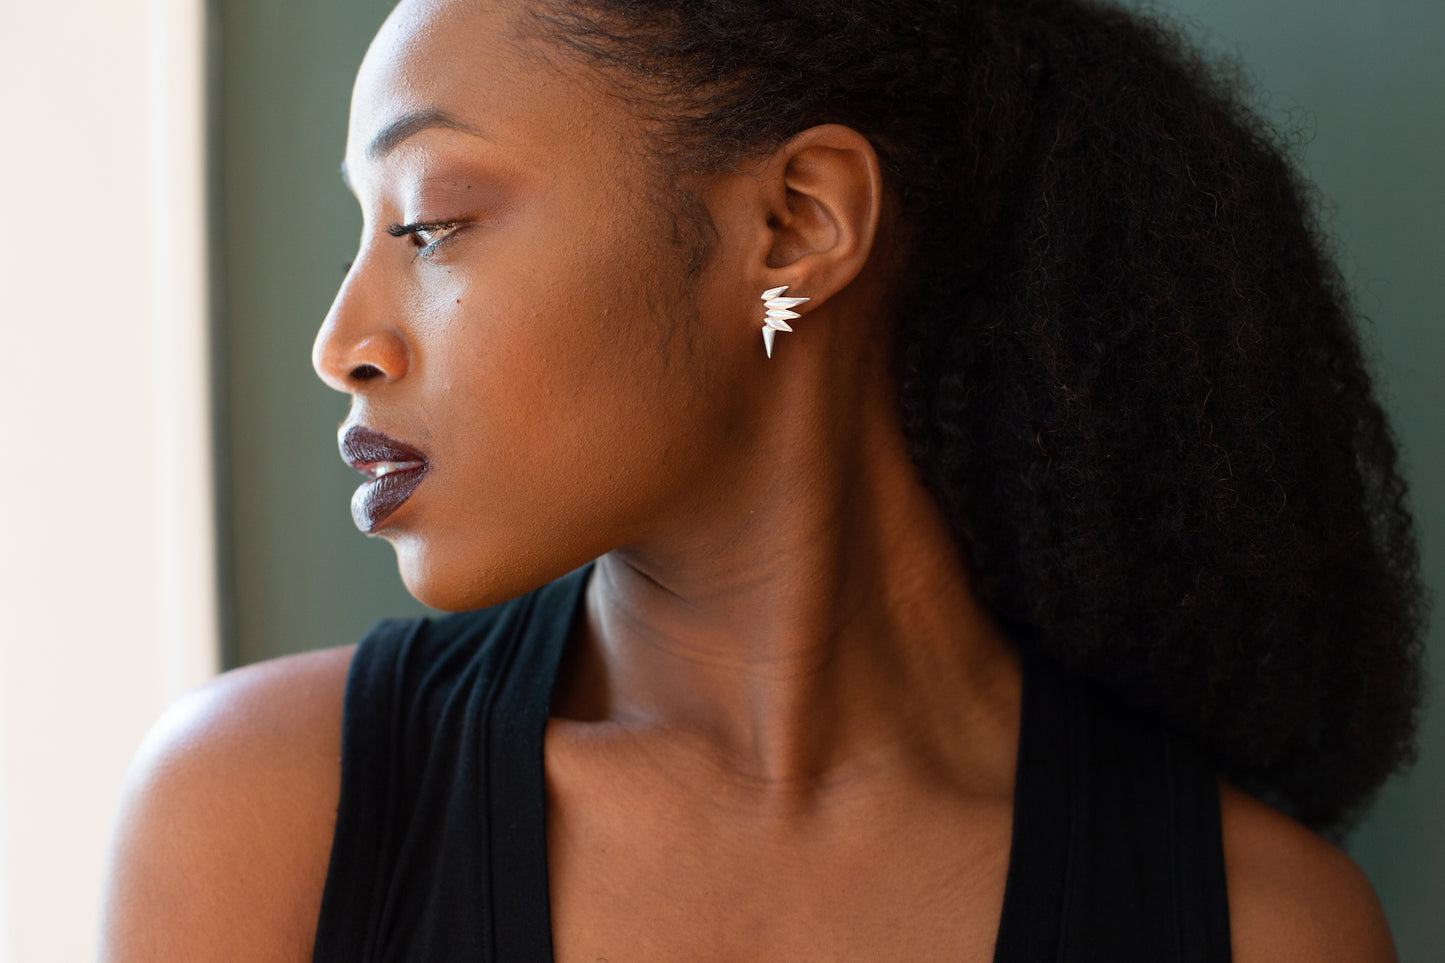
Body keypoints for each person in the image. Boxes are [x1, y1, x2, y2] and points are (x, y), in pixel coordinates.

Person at [99, 0, 1426, 959]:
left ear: (794, 228)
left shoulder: (1260, 928)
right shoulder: (269, 815)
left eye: (430, 222)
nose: (342, 342)